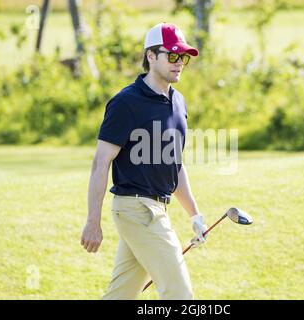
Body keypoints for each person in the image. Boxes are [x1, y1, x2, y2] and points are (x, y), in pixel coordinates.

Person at [80, 22, 208, 300]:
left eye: (183, 57)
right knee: (180, 294)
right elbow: (100, 163)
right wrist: (93, 221)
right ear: (151, 56)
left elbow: (175, 165)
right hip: (136, 209)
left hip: (156, 209)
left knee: (121, 294)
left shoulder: (178, 103)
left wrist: (195, 215)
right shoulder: (126, 102)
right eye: (172, 56)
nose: (179, 63)